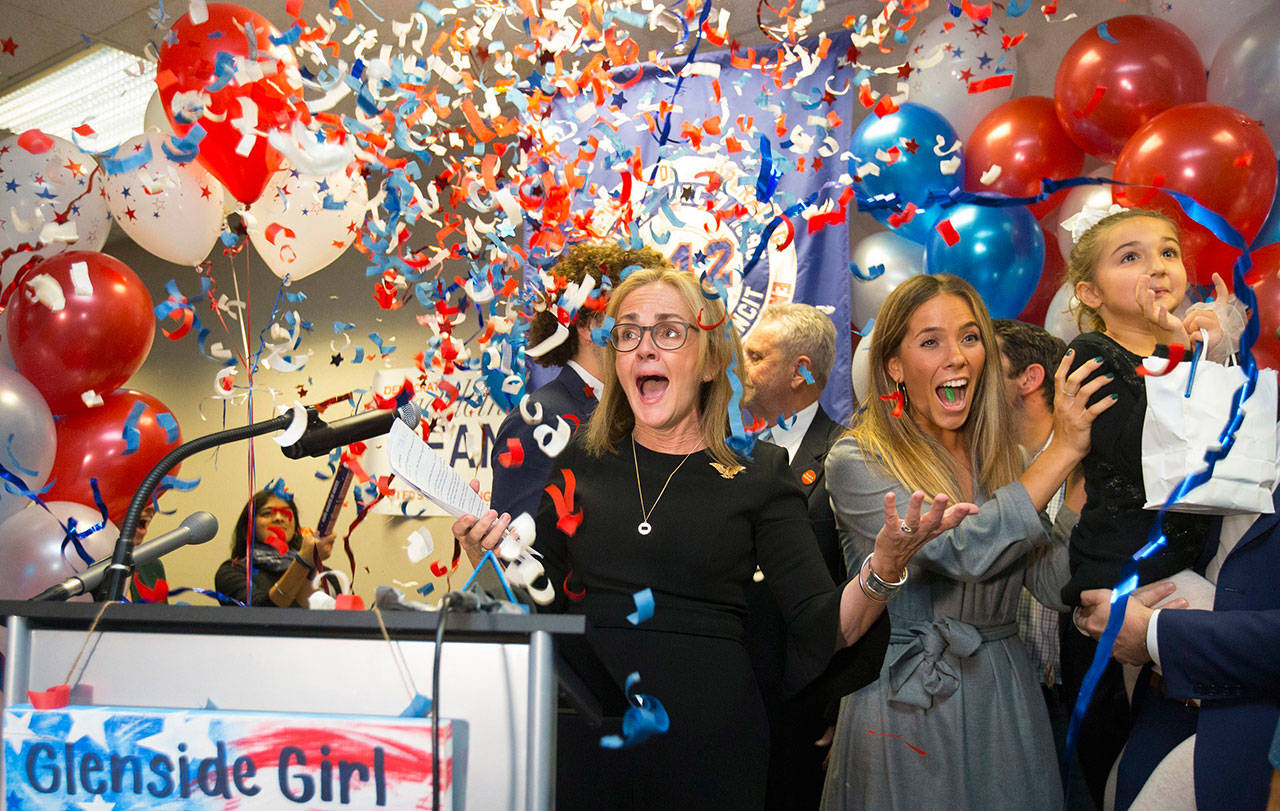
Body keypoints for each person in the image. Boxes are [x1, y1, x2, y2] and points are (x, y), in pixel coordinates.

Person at [453, 264, 977, 808]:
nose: (645, 348)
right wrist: (490, 560)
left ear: (708, 362)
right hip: (588, 732)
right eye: (628, 332)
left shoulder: (760, 474)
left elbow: (825, 628)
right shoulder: (580, 460)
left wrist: (884, 568)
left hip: (709, 746)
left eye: (669, 331)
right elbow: (543, 599)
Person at [820, 273, 1113, 809]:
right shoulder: (859, 460)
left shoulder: (1008, 462)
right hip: (905, 696)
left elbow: (1052, 585)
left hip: (1002, 690)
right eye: (930, 341)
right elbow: (962, 553)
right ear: (895, 366)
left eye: (970, 337)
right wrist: (1062, 452)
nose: (956, 356)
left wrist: (1080, 480)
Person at [1058, 207, 1239, 802]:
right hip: (1120, 572)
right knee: (1117, 752)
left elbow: (1230, 448)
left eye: (1167, 252)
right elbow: (1142, 443)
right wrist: (1184, 356)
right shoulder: (1093, 353)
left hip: (1188, 564)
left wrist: (1213, 357)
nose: (1156, 268)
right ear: (1090, 292)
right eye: (1130, 257)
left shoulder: (1194, 353)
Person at [1075, 477, 1280, 809]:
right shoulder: (1223, 435)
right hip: (1159, 705)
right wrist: (1108, 606)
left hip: (1252, 731)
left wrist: (1154, 633)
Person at [741, 302, 847, 809]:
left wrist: (844, 700)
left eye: (756, 356)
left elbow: (858, 581)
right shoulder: (725, 450)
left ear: (801, 370)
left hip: (802, 699)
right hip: (732, 690)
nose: (741, 367)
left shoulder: (848, 457)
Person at [489, 242, 666, 520]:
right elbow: (515, 550)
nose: (645, 337)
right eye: (628, 321)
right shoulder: (538, 419)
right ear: (586, 326)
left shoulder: (643, 412)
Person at [995, 318, 1094, 808]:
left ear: (1029, 379)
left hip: (1082, 701)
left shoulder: (1096, 466)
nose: (961, 372)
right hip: (1009, 695)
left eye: (983, 360)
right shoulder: (984, 469)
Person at [214, 487, 335, 607]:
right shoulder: (232, 571)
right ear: (249, 527)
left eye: (286, 513)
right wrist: (304, 561)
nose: (279, 518)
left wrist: (310, 566)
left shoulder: (325, 574)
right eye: (267, 513)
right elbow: (261, 615)